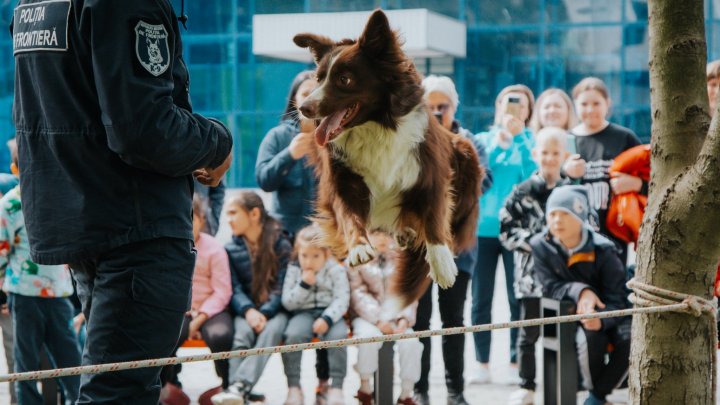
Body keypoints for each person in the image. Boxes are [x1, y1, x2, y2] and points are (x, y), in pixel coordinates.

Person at [11, 1, 234, 402]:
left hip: (87, 215)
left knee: (109, 386)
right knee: (117, 392)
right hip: (135, 227)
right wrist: (217, 143)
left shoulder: (35, 4)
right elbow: (144, 129)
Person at [414, 75, 492, 405]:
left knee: (453, 322)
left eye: (441, 107)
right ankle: (418, 389)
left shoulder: (471, 141)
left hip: (457, 245)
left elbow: (481, 184)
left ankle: (455, 390)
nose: (436, 113)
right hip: (417, 247)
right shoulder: (410, 138)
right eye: (429, 108)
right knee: (419, 323)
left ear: (454, 107)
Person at [531, 185, 630, 405]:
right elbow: (550, 287)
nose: (557, 220)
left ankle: (596, 396)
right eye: (552, 214)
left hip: (607, 313)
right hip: (565, 313)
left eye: (565, 214)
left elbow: (619, 300)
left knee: (629, 338)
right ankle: (595, 395)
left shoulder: (605, 250)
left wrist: (601, 320)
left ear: (581, 216)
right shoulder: (540, 246)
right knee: (588, 338)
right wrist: (582, 292)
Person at [1, 139, 82, 404]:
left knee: (70, 357)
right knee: (27, 361)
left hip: (59, 293)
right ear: (15, 169)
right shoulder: (10, 204)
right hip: (23, 295)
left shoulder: (60, 196)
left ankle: (79, 399)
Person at [500, 128, 572, 405]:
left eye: (556, 153)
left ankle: (560, 384)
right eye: (545, 153)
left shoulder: (570, 191)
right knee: (528, 333)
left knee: (561, 332)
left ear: (564, 155)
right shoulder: (522, 191)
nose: (550, 158)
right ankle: (527, 386)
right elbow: (505, 229)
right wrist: (536, 242)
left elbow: (588, 226)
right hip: (529, 277)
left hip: (563, 278)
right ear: (535, 155)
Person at [471, 84, 537, 385]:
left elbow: (532, 178)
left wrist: (520, 139)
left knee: (516, 298)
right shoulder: (483, 140)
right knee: (480, 298)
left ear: (528, 112)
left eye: (520, 105)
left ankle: (514, 361)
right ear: (498, 107)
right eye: (508, 103)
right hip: (481, 231)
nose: (513, 110)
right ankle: (481, 363)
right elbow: (481, 176)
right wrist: (500, 143)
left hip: (516, 231)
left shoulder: (531, 141)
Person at [210, 191, 293, 405]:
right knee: (241, 336)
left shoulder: (281, 243)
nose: (228, 219)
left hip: (275, 311)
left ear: (254, 213)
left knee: (272, 331)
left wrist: (264, 313)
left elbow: (282, 286)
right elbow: (234, 288)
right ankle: (239, 394)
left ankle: (238, 389)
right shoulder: (229, 249)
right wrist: (248, 311)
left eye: (233, 213)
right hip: (245, 311)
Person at [160, 195, 233, 401]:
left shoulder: (214, 249)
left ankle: (225, 387)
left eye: (192, 218)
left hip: (211, 310)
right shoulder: (168, 248)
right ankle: (167, 386)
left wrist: (200, 317)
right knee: (166, 337)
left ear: (201, 219)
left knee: (221, 336)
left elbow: (222, 291)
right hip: (179, 308)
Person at [566, 77, 643, 265]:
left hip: (615, 232)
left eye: (596, 103)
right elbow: (551, 186)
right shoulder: (567, 140)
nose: (590, 109)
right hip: (577, 232)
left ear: (607, 104)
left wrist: (638, 184)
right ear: (575, 105)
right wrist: (565, 171)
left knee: (613, 290)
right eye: (584, 104)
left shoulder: (624, 137)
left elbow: (654, 179)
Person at [348, 231, 423, 405]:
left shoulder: (401, 259)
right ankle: (365, 387)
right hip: (367, 318)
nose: (382, 239)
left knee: (412, 343)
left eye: (387, 234)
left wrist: (404, 318)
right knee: (368, 339)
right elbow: (358, 294)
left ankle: (406, 393)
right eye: (376, 234)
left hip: (397, 318)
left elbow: (408, 292)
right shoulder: (357, 260)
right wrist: (379, 320)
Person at [281, 225, 350, 405]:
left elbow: (342, 298)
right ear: (298, 253)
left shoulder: (335, 269)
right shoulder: (294, 270)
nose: (309, 262)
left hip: (330, 315)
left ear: (326, 254)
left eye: (315, 256)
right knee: (293, 336)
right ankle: (294, 387)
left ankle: (336, 388)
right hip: (303, 313)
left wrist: (327, 319)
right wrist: (303, 285)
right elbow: (287, 302)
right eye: (304, 256)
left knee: (339, 338)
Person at [256, 70, 319, 236]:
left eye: (316, 92)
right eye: (305, 93)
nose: (311, 98)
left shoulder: (337, 138)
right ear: (294, 100)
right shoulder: (277, 136)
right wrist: (289, 155)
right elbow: (264, 181)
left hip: (325, 234)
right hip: (285, 234)